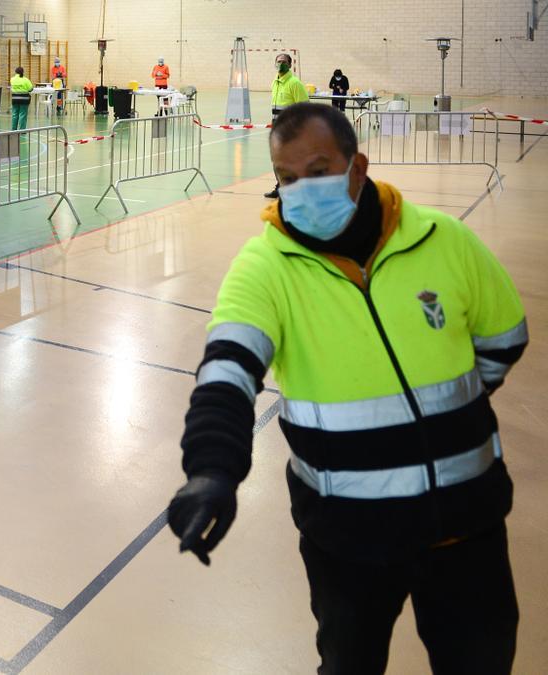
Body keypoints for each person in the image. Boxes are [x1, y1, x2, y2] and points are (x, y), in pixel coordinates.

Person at [167, 103, 527, 675]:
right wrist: (212, 468)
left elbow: (504, 338)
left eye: (317, 172)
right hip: (348, 542)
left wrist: (445, 421)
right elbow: (228, 370)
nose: (300, 190)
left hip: (467, 526)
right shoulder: (265, 268)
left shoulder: (445, 241)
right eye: (286, 179)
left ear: (357, 167)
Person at [264, 53, 309, 199]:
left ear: (290, 65)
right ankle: (281, 187)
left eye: (284, 62)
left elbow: (304, 108)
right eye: (278, 61)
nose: (281, 64)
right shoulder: (274, 83)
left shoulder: (295, 83)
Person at [10, 66, 33, 130]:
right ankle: (22, 130)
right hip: (24, 99)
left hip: (15, 99)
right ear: (23, 72)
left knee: (14, 114)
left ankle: (13, 129)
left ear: (15, 72)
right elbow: (31, 89)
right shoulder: (26, 80)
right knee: (22, 115)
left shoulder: (12, 79)